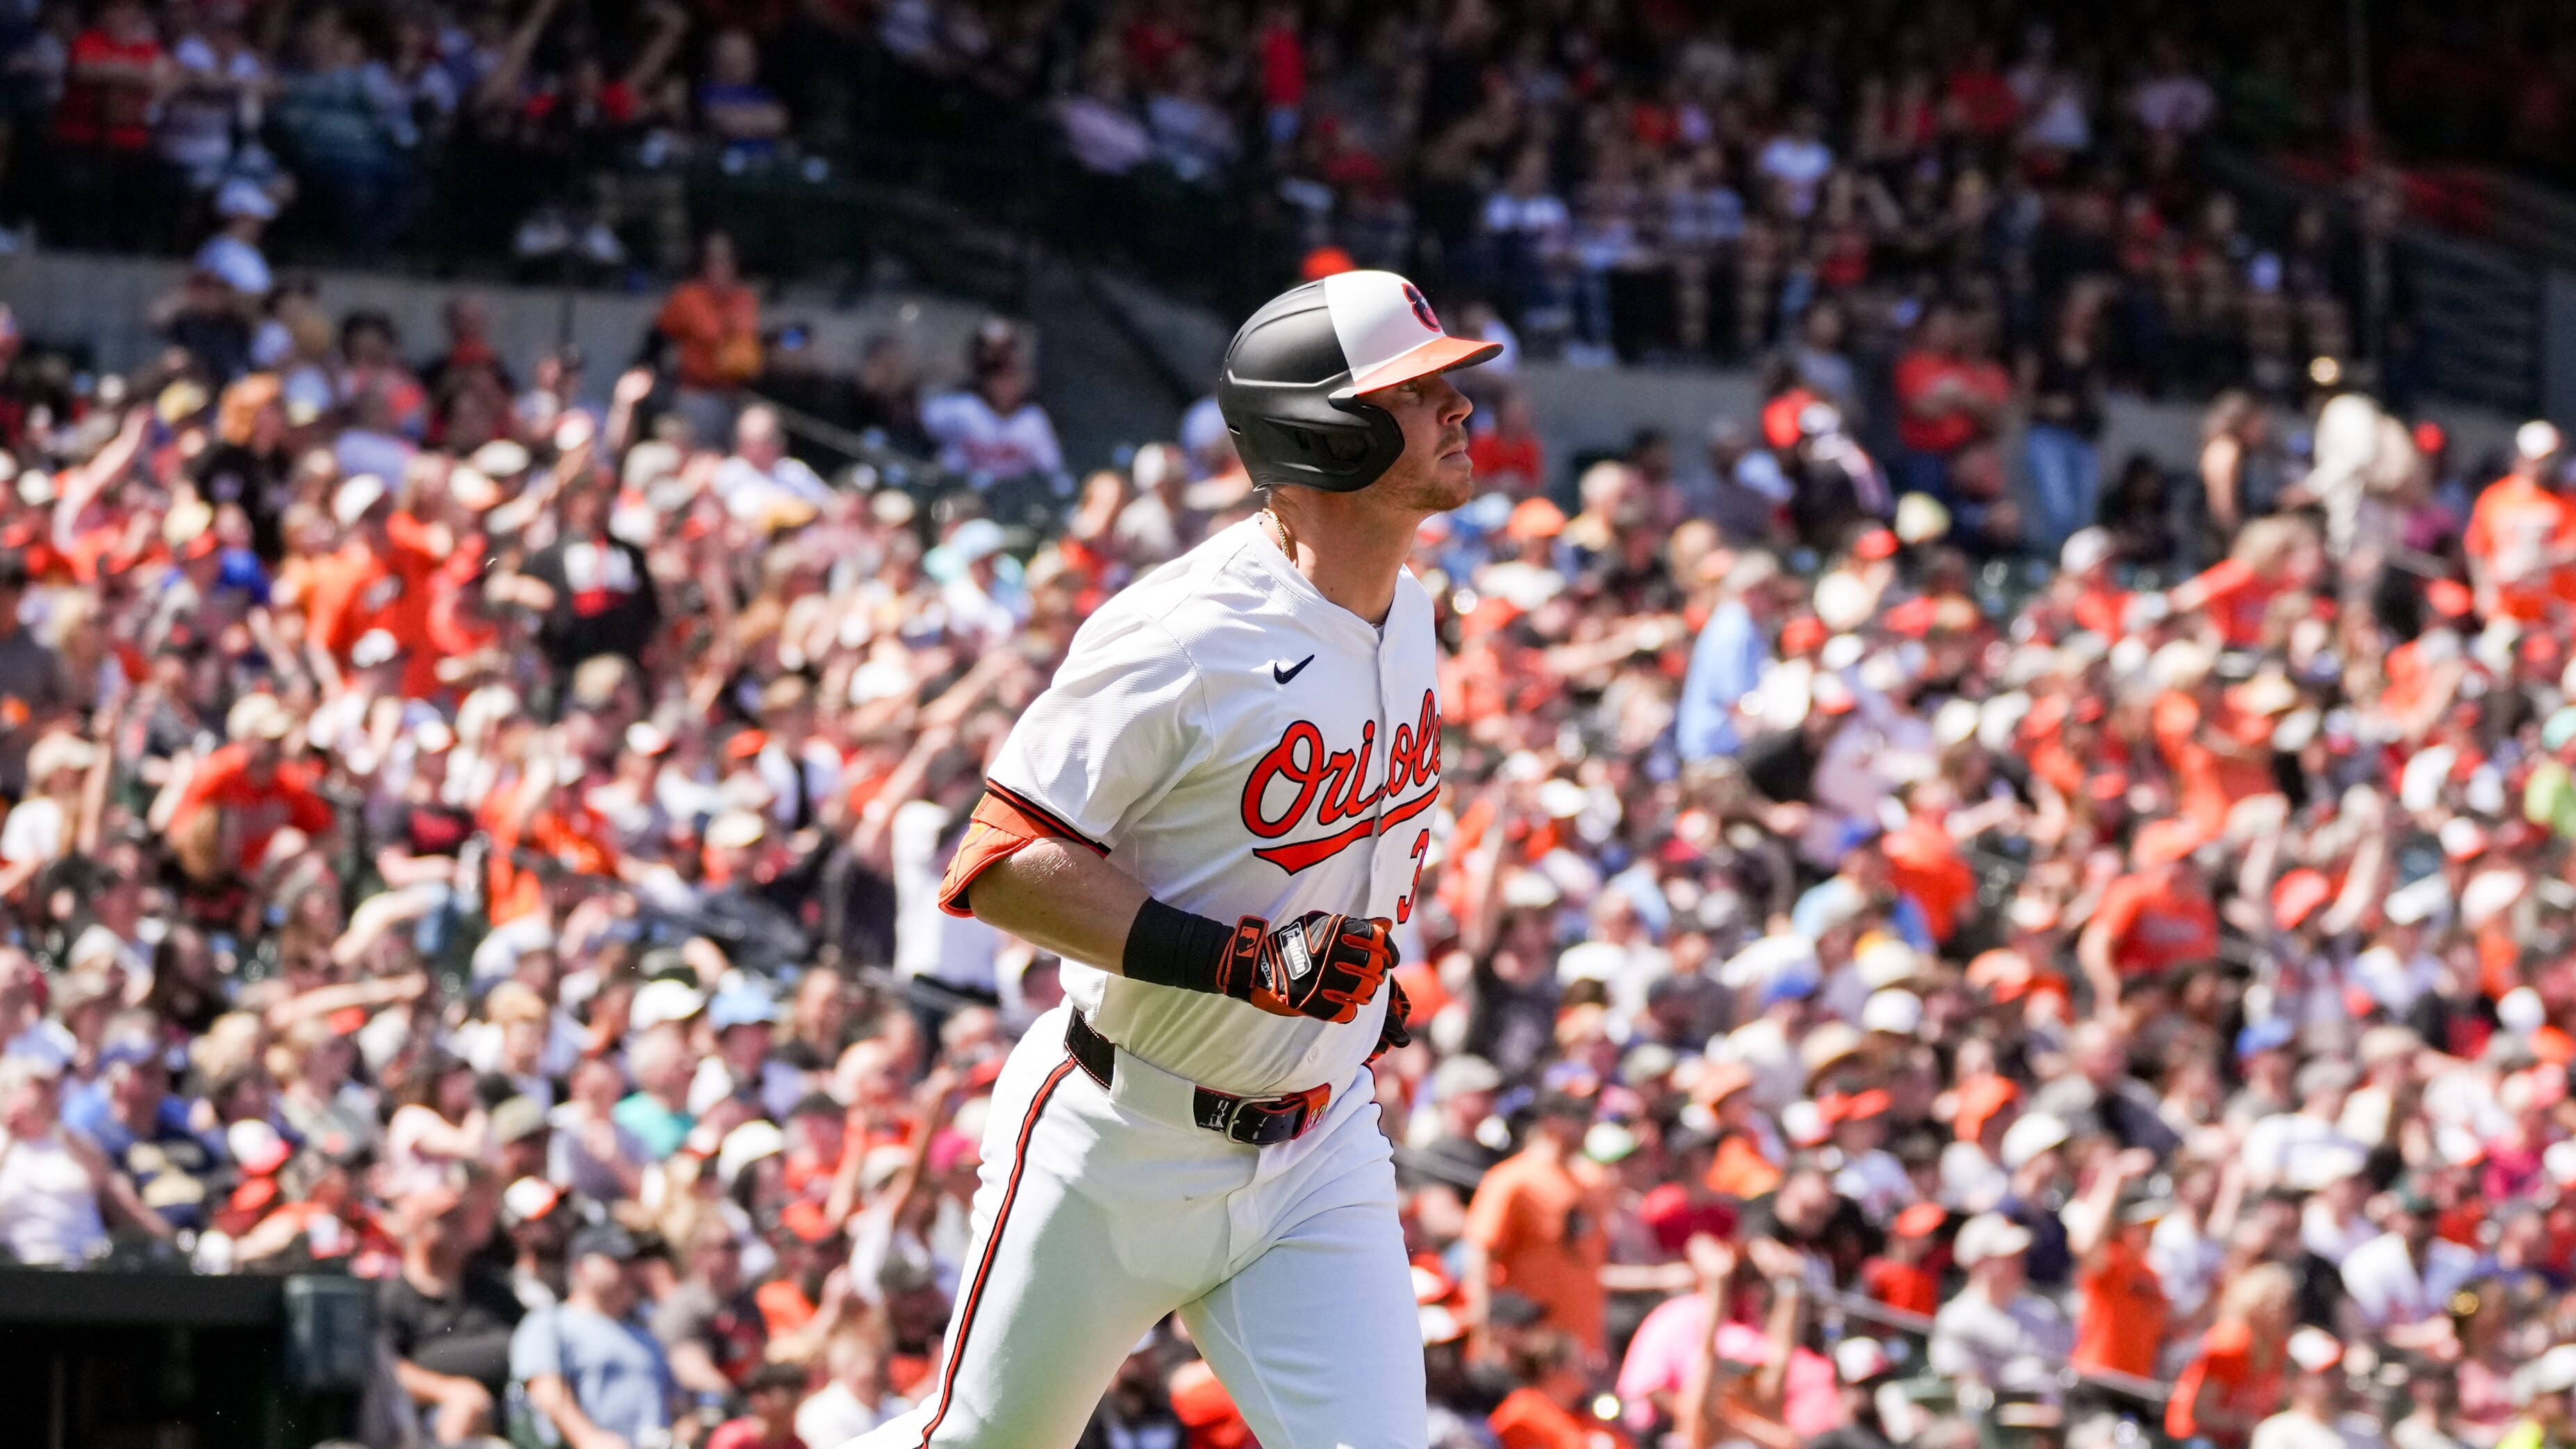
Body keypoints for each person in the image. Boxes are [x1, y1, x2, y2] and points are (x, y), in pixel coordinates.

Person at [870, 270, 1497, 1448]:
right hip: (1120, 1136)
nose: (1460, 406)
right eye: (1420, 391)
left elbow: (1311, 855)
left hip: (1318, 1147)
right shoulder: (1184, 632)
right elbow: (1001, 862)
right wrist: (1243, 965)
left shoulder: (1407, 609)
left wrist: (1340, 977)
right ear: (1328, 428)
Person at [510, 1223, 680, 1449]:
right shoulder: (550, 1322)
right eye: (620, 1262)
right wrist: (587, 1438)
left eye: (635, 1263)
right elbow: (546, 1392)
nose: (632, 1271)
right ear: (582, 1268)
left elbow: (676, 1406)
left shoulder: (646, 1333)